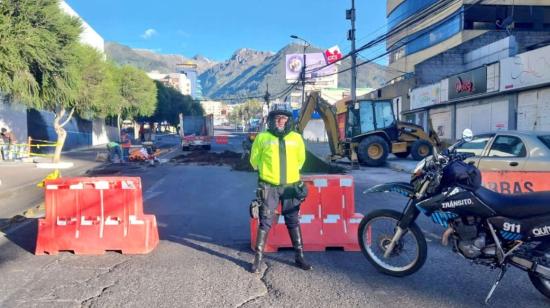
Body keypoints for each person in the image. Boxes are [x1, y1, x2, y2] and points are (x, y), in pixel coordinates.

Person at [249, 103, 312, 273]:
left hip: (291, 186)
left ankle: (299, 257)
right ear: (271, 120)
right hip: (269, 186)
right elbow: (254, 161)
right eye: (277, 118)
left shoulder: (296, 138)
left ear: (289, 120)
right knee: (265, 222)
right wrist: (268, 174)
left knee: (293, 221)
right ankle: (258, 259)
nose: (280, 121)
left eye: (284, 118)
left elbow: (301, 160)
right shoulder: (262, 138)